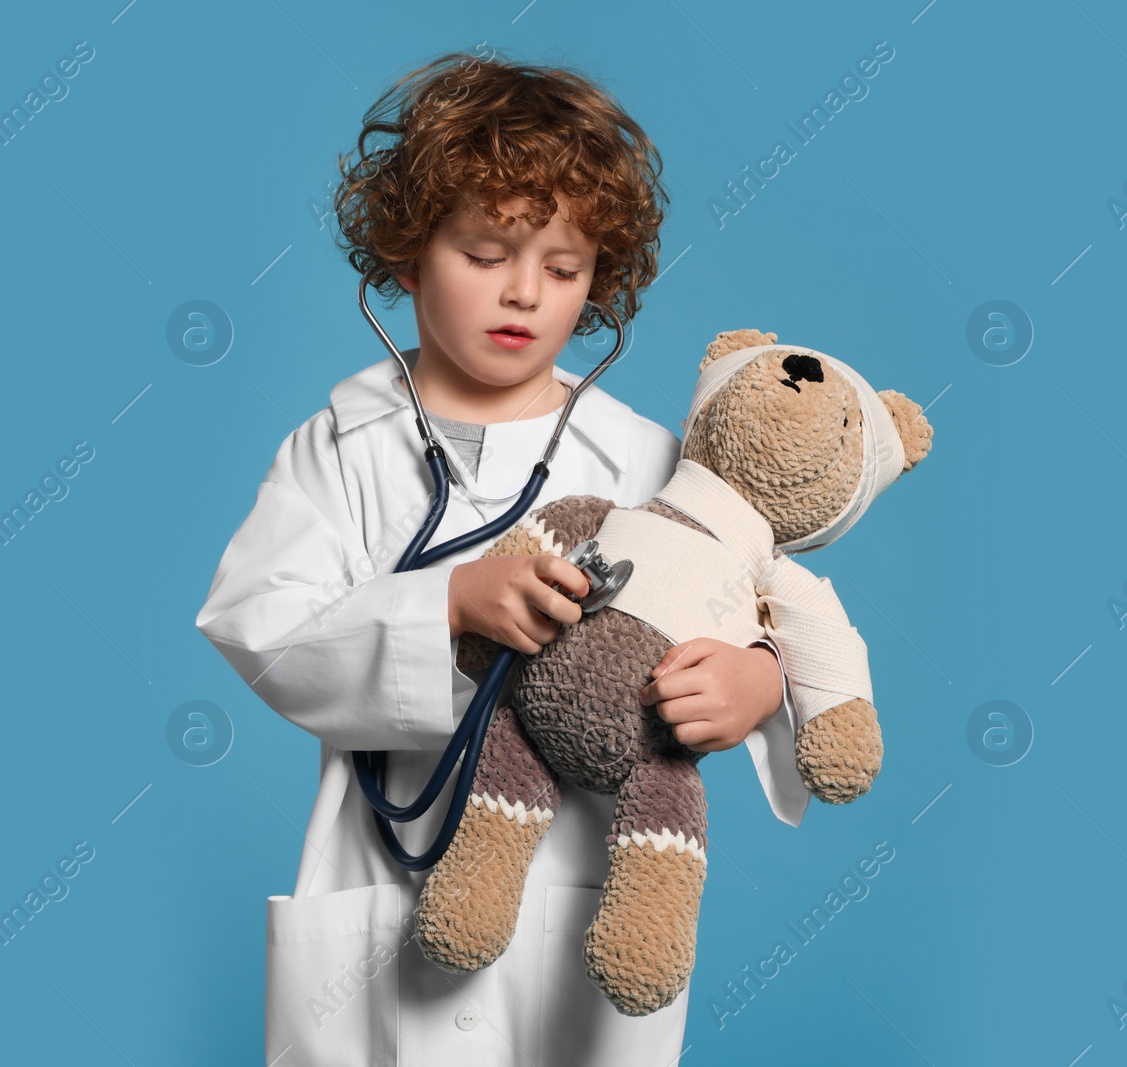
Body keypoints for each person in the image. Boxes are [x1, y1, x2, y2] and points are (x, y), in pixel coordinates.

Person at [193, 51, 810, 1067]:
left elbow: (765, 615)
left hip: (582, 908)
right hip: (382, 904)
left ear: (596, 284)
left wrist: (756, 683)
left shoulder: (649, 458)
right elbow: (257, 626)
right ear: (405, 256)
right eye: (485, 253)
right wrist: (444, 604)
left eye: (562, 269)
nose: (524, 292)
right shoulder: (337, 447)